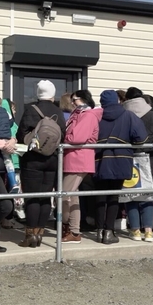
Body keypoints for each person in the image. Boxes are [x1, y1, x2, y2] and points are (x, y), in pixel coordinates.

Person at [94, 90, 148, 244]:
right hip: (121, 159)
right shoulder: (129, 115)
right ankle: (109, 232)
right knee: (113, 197)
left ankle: (98, 231)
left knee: (99, 195)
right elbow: (142, 138)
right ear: (117, 100)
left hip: (99, 159)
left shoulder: (97, 116)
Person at [17, 80, 65, 248]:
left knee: (32, 197)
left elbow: (21, 134)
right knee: (46, 197)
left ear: (38, 93)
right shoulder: (58, 111)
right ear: (52, 94)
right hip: (52, 159)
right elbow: (63, 136)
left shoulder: (31, 109)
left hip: (33, 160)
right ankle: (40, 234)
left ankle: (30, 235)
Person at [122, 87, 153, 242]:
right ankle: (148, 231)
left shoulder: (124, 114)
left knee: (130, 195)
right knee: (148, 196)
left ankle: (135, 230)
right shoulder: (152, 115)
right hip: (150, 158)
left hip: (129, 157)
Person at [61, 90, 102, 244]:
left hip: (79, 159)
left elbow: (78, 137)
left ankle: (68, 227)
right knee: (72, 196)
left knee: (64, 194)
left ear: (84, 99)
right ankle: (74, 230)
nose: (72, 102)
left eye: (75, 99)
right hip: (73, 158)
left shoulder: (88, 115)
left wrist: (65, 137)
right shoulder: (78, 114)